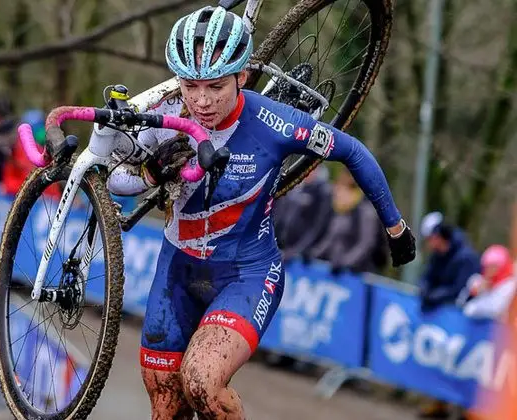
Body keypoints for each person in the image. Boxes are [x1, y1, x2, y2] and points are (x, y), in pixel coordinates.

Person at [100, 6, 416, 419]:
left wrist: (395, 226)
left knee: (203, 383)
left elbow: (352, 151)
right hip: (176, 269)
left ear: (242, 78)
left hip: (246, 273)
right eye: (191, 86)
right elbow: (111, 179)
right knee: (166, 407)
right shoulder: (167, 114)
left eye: (215, 86)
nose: (201, 100)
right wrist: (149, 172)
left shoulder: (276, 124)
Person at [416, 211, 481, 419]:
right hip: (444, 316)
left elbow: (459, 288)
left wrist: (434, 296)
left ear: (438, 236)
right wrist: (425, 291)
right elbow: (427, 276)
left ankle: (466, 410)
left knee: (460, 363)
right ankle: (440, 404)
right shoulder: (439, 254)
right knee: (442, 360)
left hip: (463, 320)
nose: (429, 244)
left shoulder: (466, 257)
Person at [309, 167, 386, 274]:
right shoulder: (341, 210)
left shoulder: (366, 212)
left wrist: (345, 263)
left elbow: (365, 244)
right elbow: (330, 238)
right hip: (336, 268)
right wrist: (313, 254)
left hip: (357, 273)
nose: (337, 194)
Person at [272, 165, 332, 262]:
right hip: (283, 246)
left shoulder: (322, 192)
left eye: (312, 170)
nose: (307, 173)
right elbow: (281, 217)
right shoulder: (297, 188)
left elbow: (316, 227)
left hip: (301, 254)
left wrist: (295, 250)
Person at [460, 244, 516, 320]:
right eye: (487, 266)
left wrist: (472, 307)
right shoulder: (478, 280)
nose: (489, 270)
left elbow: (495, 309)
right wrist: (473, 293)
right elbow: (460, 301)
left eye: (493, 266)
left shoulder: (509, 285)